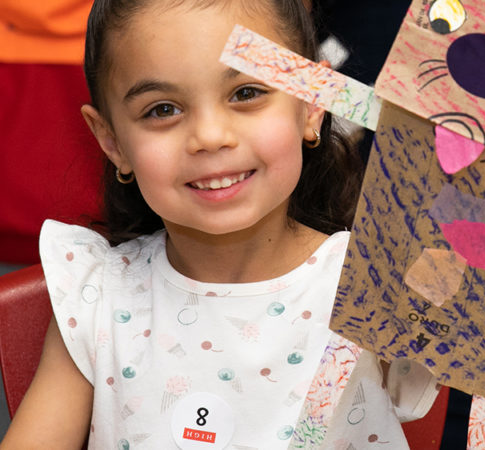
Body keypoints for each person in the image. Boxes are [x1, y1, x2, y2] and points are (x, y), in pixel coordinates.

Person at [0, 0, 439, 448]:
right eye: (162, 110)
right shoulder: (96, 299)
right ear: (112, 142)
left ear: (310, 105)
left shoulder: (377, 281)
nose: (210, 137)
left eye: (246, 93)